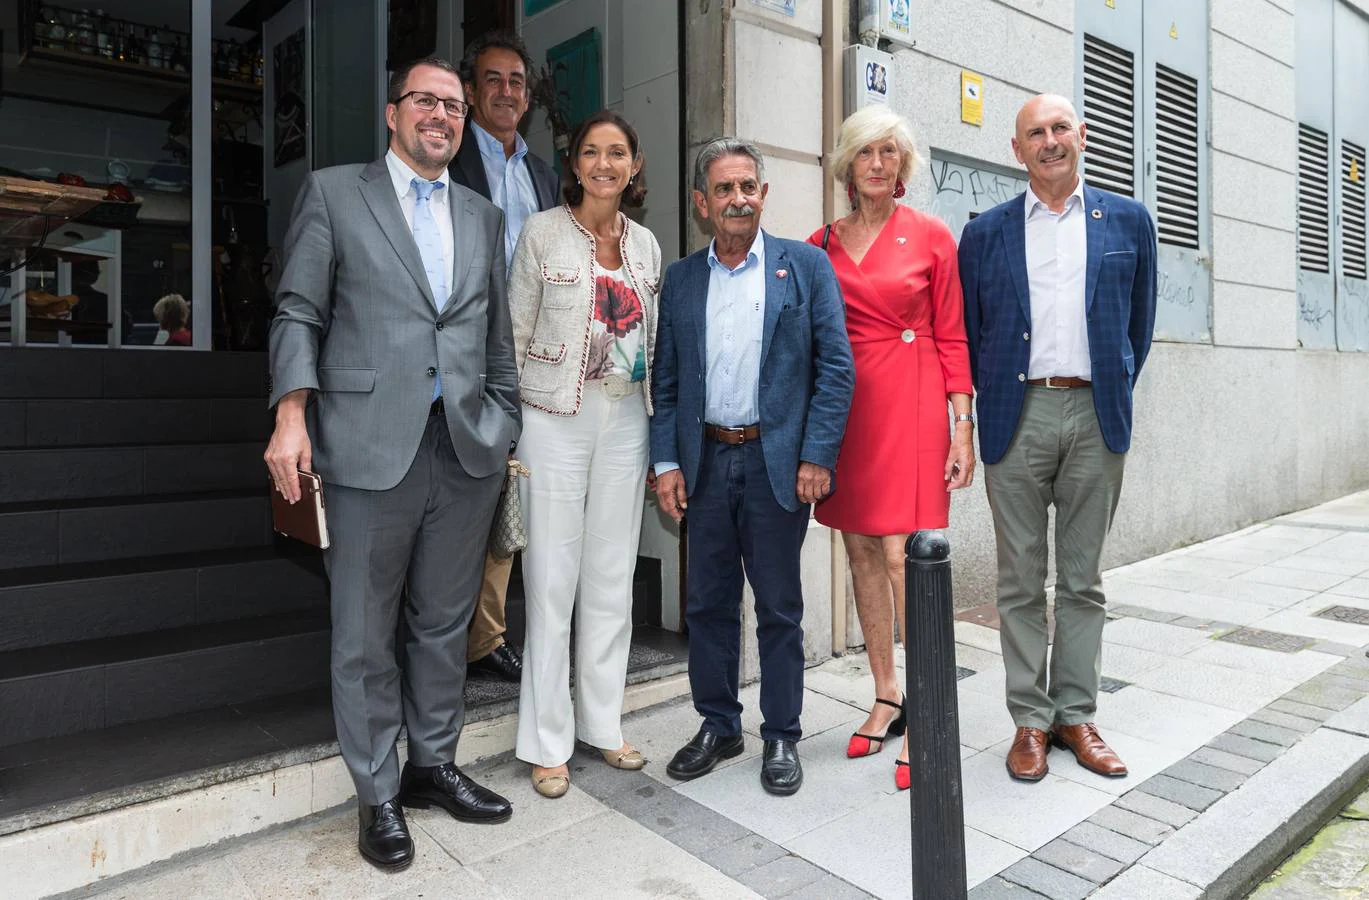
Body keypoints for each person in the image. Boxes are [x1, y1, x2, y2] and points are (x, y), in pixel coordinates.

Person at [264, 56, 521, 870]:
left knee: (444, 626)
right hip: (368, 444)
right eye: (425, 102)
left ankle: (432, 766)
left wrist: (504, 424)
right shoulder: (337, 193)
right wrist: (291, 415)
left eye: (453, 104)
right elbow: (299, 310)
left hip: (466, 448)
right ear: (392, 113)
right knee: (364, 633)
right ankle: (376, 793)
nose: (440, 115)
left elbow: (495, 337)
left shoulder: (481, 215)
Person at [958, 94, 1156, 783]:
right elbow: (975, 330)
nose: (1048, 141)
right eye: (1034, 133)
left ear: (1082, 134)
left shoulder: (1127, 221)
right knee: (1017, 580)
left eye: (1059, 128)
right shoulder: (984, 234)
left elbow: (1138, 329)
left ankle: (1075, 713)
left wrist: (1109, 391)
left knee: (1081, 579)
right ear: (1016, 150)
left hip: (1094, 414)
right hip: (1017, 415)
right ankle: (1029, 722)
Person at [652, 138, 854, 797]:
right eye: (723, 189)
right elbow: (669, 382)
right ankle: (718, 724)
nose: (737, 198)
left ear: (763, 195)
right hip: (705, 462)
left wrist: (817, 455)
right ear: (700, 203)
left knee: (778, 607)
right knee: (707, 603)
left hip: (776, 467)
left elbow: (835, 371)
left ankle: (780, 735)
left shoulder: (804, 267)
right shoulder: (681, 281)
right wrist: (665, 463)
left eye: (748, 187)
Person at [806, 105, 974, 791]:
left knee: (905, 554)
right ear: (847, 165)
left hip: (912, 398)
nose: (876, 163)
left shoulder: (931, 236)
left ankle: (930, 704)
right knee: (860, 550)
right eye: (865, 152)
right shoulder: (818, 245)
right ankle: (885, 692)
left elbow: (955, 334)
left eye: (888, 152)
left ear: (901, 166)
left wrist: (961, 424)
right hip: (849, 411)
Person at [507, 109, 661, 799]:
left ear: (633, 167)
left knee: (609, 575)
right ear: (573, 164)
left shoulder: (648, 246)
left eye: (617, 152)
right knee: (550, 581)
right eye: (592, 151)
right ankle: (546, 741)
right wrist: (513, 429)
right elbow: (512, 337)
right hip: (552, 418)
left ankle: (603, 724)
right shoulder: (540, 232)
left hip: (626, 418)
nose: (604, 163)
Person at [447, 31, 560, 684]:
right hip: (466, 347)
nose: (506, 91)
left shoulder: (542, 174)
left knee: (511, 489)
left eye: (516, 80)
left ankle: (484, 638)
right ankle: (444, 634)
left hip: (531, 351)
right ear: (471, 90)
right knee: (465, 490)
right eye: (492, 79)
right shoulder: (449, 156)